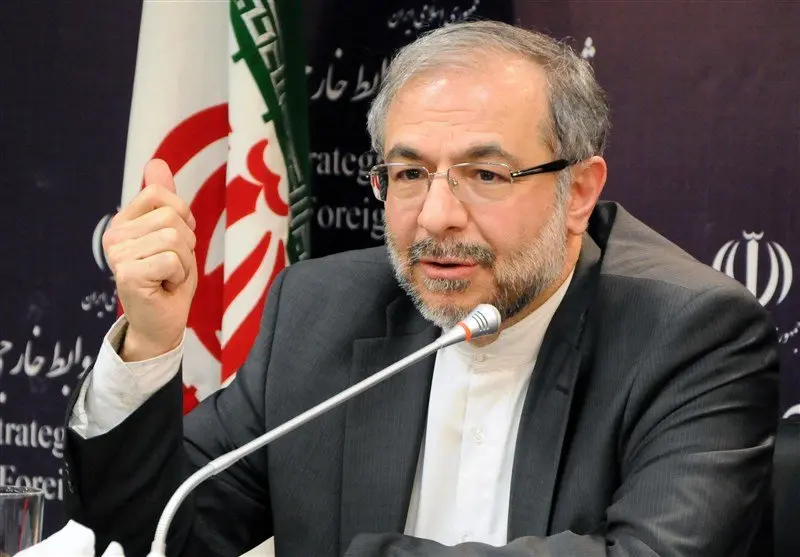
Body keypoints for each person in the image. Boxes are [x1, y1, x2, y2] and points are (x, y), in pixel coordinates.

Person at [63, 20, 779, 557]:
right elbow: (159, 533)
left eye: (485, 174)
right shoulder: (320, 310)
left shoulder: (689, 332)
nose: (436, 216)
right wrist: (151, 338)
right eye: (409, 174)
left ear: (580, 191)